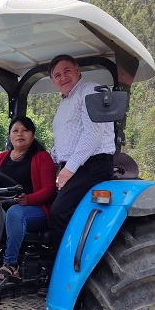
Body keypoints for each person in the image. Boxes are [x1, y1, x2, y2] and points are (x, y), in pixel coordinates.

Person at [48, 54, 115, 251]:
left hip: (91, 165)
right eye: (57, 75)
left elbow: (93, 135)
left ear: (78, 70)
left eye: (67, 71)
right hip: (73, 166)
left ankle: (62, 270)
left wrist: (68, 169)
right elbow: (62, 141)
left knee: (59, 213)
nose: (63, 77)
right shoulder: (65, 102)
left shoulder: (91, 91)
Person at [0, 117, 56, 280]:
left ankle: (11, 264)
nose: (20, 134)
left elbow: (49, 189)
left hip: (35, 211)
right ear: (10, 136)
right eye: (15, 131)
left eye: (25, 130)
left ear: (32, 136)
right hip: (3, 210)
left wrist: (28, 200)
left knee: (15, 213)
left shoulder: (42, 157)